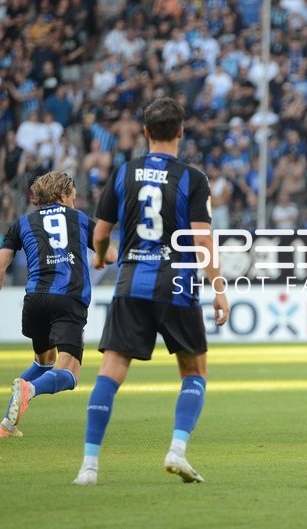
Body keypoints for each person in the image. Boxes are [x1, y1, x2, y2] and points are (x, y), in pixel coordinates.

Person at [73, 97, 230, 486]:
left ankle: (89, 466)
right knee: (194, 371)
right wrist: (220, 288)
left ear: (145, 132)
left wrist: (100, 256)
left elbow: (100, 233)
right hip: (176, 285)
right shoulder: (193, 178)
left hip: (132, 284)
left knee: (110, 373)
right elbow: (202, 239)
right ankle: (177, 449)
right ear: (181, 131)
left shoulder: (125, 172)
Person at [0, 171, 116, 438]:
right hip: (68, 300)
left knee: (44, 363)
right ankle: (29, 390)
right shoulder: (79, 219)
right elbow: (110, 253)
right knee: (69, 373)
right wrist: (100, 257)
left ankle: (6, 426)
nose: (75, 203)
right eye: (73, 197)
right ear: (63, 195)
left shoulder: (21, 223)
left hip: (35, 302)